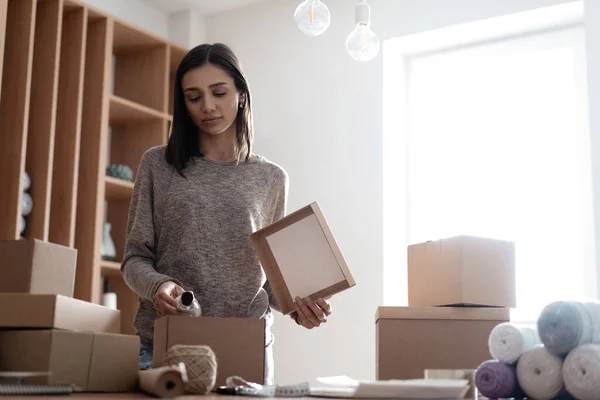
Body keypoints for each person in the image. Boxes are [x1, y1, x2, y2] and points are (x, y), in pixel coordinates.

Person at [120, 43, 333, 384]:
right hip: (167, 347)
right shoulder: (157, 165)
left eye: (219, 92)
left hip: (247, 350)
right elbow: (133, 260)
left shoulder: (271, 178)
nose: (207, 106)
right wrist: (160, 286)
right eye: (193, 97)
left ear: (241, 94)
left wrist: (300, 308)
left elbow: (270, 282)